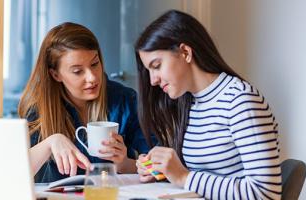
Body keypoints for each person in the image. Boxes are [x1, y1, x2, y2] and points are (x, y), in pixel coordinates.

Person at [134, 10, 281, 199]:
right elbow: (205, 179)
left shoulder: (240, 100)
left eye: (156, 66)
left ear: (185, 52)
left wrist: (183, 176)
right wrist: (160, 171)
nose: (153, 80)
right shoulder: (191, 103)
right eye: (149, 71)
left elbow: (267, 193)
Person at [18, 22, 151, 183]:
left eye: (95, 64)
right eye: (77, 71)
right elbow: (11, 174)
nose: (92, 77)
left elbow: (156, 166)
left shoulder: (125, 99)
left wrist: (123, 163)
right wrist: (50, 142)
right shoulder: (39, 109)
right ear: (55, 74)